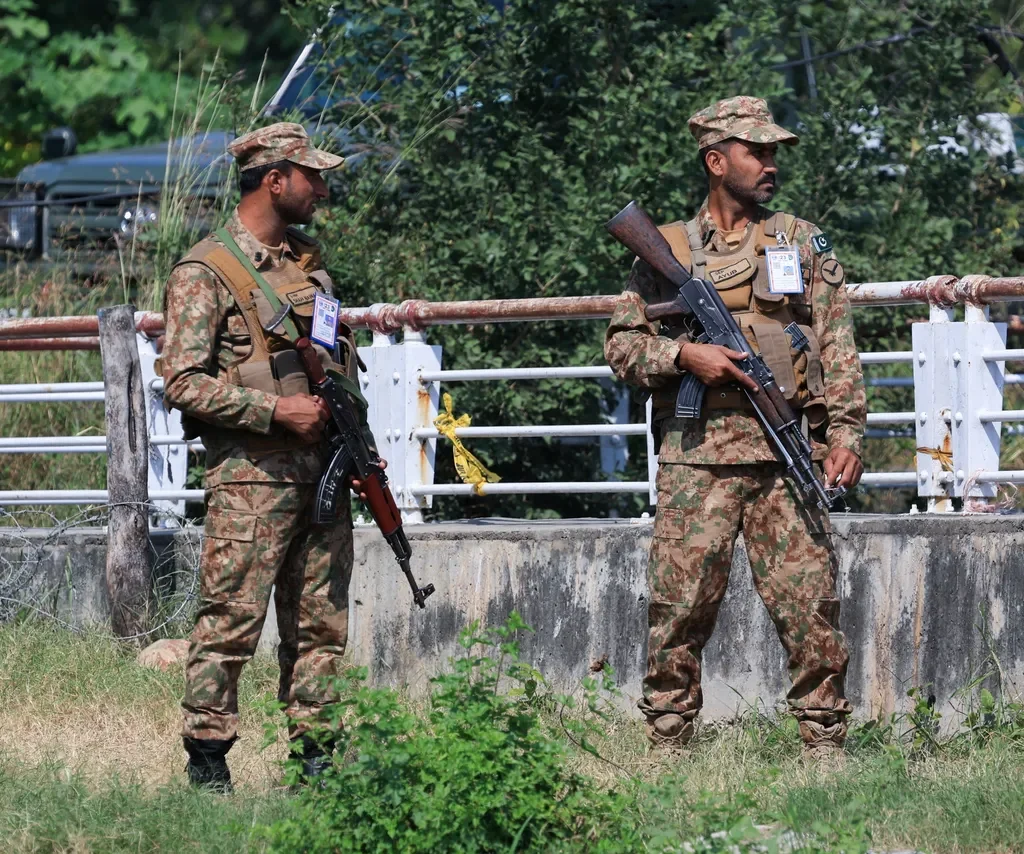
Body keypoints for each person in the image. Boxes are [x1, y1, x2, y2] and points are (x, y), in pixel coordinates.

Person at [605, 96, 866, 760]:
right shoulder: (667, 249)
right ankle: (667, 744)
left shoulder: (801, 240)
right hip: (699, 460)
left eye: (774, 152)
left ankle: (824, 747)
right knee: (679, 610)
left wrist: (846, 435)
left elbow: (836, 344)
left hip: (788, 457)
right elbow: (623, 348)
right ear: (716, 161)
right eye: (758, 151)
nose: (771, 163)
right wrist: (684, 355)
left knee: (811, 608)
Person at [162, 122, 364, 791]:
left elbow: (337, 371)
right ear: (274, 179)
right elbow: (183, 383)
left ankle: (318, 765)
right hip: (252, 481)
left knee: (320, 627)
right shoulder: (206, 271)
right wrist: (275, 410)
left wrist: (359, 446)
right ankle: (209, 767)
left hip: (324, 476)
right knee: (230, 622)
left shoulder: (311, 271)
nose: (324, 188)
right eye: (313, 176)